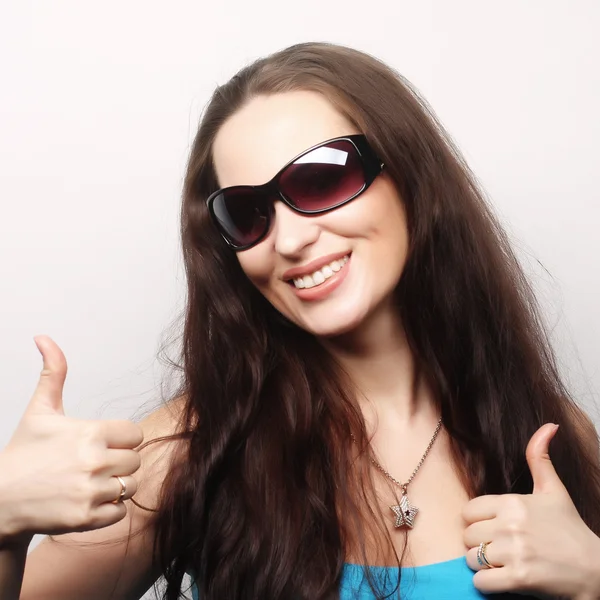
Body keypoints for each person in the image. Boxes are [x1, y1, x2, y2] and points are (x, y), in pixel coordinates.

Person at [1, 41, 600, 600]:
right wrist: (3, 515)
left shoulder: (545, 437)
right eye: (247, 212)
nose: (287, 239)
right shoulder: (196, 446)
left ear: (413, 178)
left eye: (322, 177)